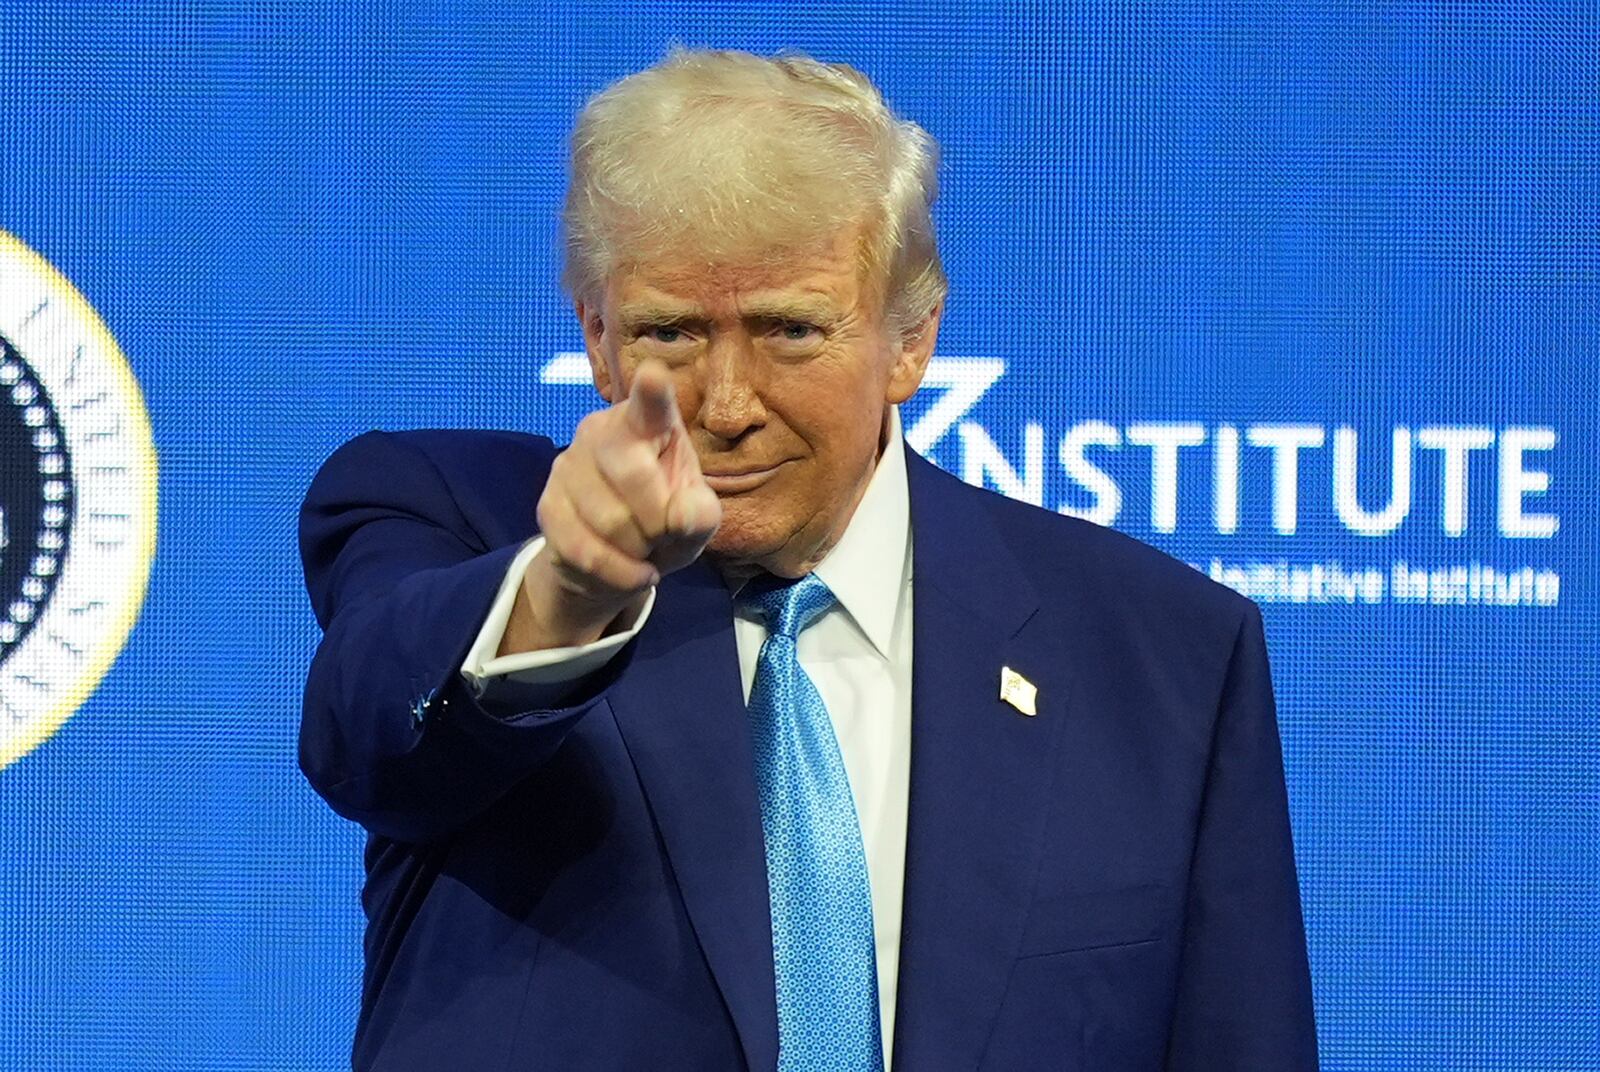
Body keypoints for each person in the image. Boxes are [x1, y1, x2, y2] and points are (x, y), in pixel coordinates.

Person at [298, 48, 1318, 1071]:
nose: (727, 405)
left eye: (790, 329)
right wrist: (571, 587)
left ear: (911, 340)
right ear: (597, 338)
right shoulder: (449, 513)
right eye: (671, 332)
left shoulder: (1161, 652)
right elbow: (371, 728)